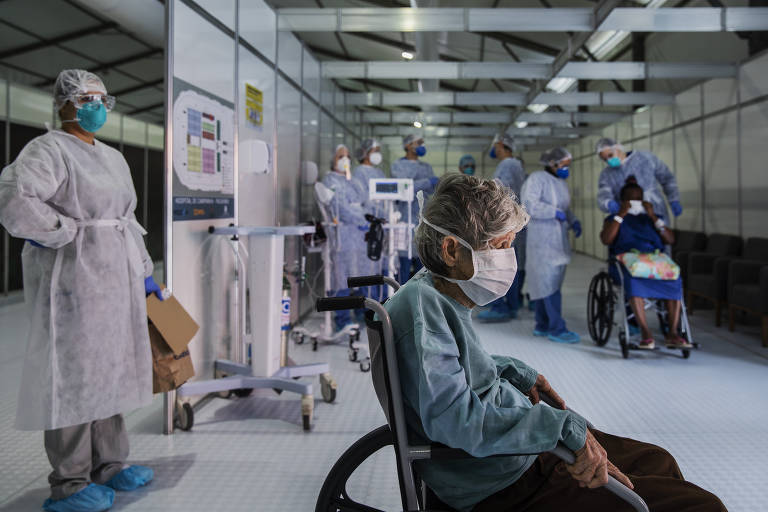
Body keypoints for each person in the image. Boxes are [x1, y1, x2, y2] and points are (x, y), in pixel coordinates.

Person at [384, 173, 726, 512]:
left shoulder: (432, 291)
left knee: (657, 460)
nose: (509, 259)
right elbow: (456, 422)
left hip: (515, 452)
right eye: (501, 246)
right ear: (450, 249)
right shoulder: (423, 313)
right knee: (701, 506)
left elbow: (453, 369)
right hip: (507, 482)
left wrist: (513, 370)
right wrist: (558, 426)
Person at [0, 69, 158, 512]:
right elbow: (14, 197)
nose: (97, 108)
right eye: (87, 98)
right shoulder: (49, 149)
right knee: (74, 377)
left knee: (112, 371)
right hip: (73, 282)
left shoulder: (112, 157)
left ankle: (109, 465)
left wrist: (145, 272)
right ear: (64, 102)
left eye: (103, 100)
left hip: (115, 280)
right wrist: (59, 231)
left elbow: (126, 220)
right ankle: (68, 481)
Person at [600, 178, 692, 350]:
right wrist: (621, 214)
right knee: (634, 281)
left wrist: (653, 216)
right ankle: (645, 332)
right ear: (624, 201)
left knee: (674, 280)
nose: (636, 203)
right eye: (631, 200)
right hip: (627, 262)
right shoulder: (614, 218)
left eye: (639, 200)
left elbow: (670, 239)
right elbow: (606, 239)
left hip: (654, 261)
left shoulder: (653, 218)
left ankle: (672, 333)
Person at [520, 147, 582, 344]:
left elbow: (564, 208)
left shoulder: (561, 183)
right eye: (564, 165)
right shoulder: (537, 179)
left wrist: (572, 220)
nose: (566, 169)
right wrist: (553, 213)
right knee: (547, 283)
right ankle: (556, 328)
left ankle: (542, 323)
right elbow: (529, 204)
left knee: (546, 282)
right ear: (553, 163)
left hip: (557, 240)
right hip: (541, 240)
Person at [478, 133, 527, 322]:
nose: (494, 150)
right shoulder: (513, 164)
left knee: (503, 263)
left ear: (501, 145)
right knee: (513, 262)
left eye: (496, 146)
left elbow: (500, 187)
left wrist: (482, 187)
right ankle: (512, 303)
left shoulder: (508, 164)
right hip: (512, 220)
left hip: (507, 221)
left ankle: (503, 305)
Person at [321, 144, 369, 329]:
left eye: (348, 156)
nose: (345, 160)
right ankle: (342, 319)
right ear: (333, 159)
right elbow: (340, 208)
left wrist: (370, 216)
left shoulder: (353, 181)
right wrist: (361, 217)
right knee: (341, 277)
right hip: (342, 238)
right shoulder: (330, 181)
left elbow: (365, 202)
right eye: (341, 156)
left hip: (360, 237)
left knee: (362, 274)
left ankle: (361, 312)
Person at [595, 137, 683, 222]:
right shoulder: (606, 174)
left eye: (610, 155)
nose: (609, 160)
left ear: (618, 148)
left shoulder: (646, 158)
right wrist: (608, 203)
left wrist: (673, 199)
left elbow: (667, 178)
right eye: (605, 159)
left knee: (658, 234)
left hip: (655, 211)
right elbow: (603, 194)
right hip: (628, 219)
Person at [390, 134, 439, 285]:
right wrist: (425, 182)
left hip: (423, 217)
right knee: (403, 261)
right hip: (404, 218)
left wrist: (427, 184)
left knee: (422, 261)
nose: (421, 145)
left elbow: (431, 190)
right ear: (408, 145)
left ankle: (420, 298)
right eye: (418, 143)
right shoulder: (397, 165)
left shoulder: (426, 167)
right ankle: (399, 298)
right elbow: (403, 187)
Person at [353, 138, 387, 300]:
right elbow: (363, 199)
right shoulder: (359, 173)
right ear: (366, 153)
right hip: (368, 224)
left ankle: (382, 305)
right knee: (366, 267)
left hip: (381, 223)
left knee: (381, 266)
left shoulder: (379, 173)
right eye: (375, 150)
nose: (378, 154)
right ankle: (367, 308)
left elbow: (387, 196)